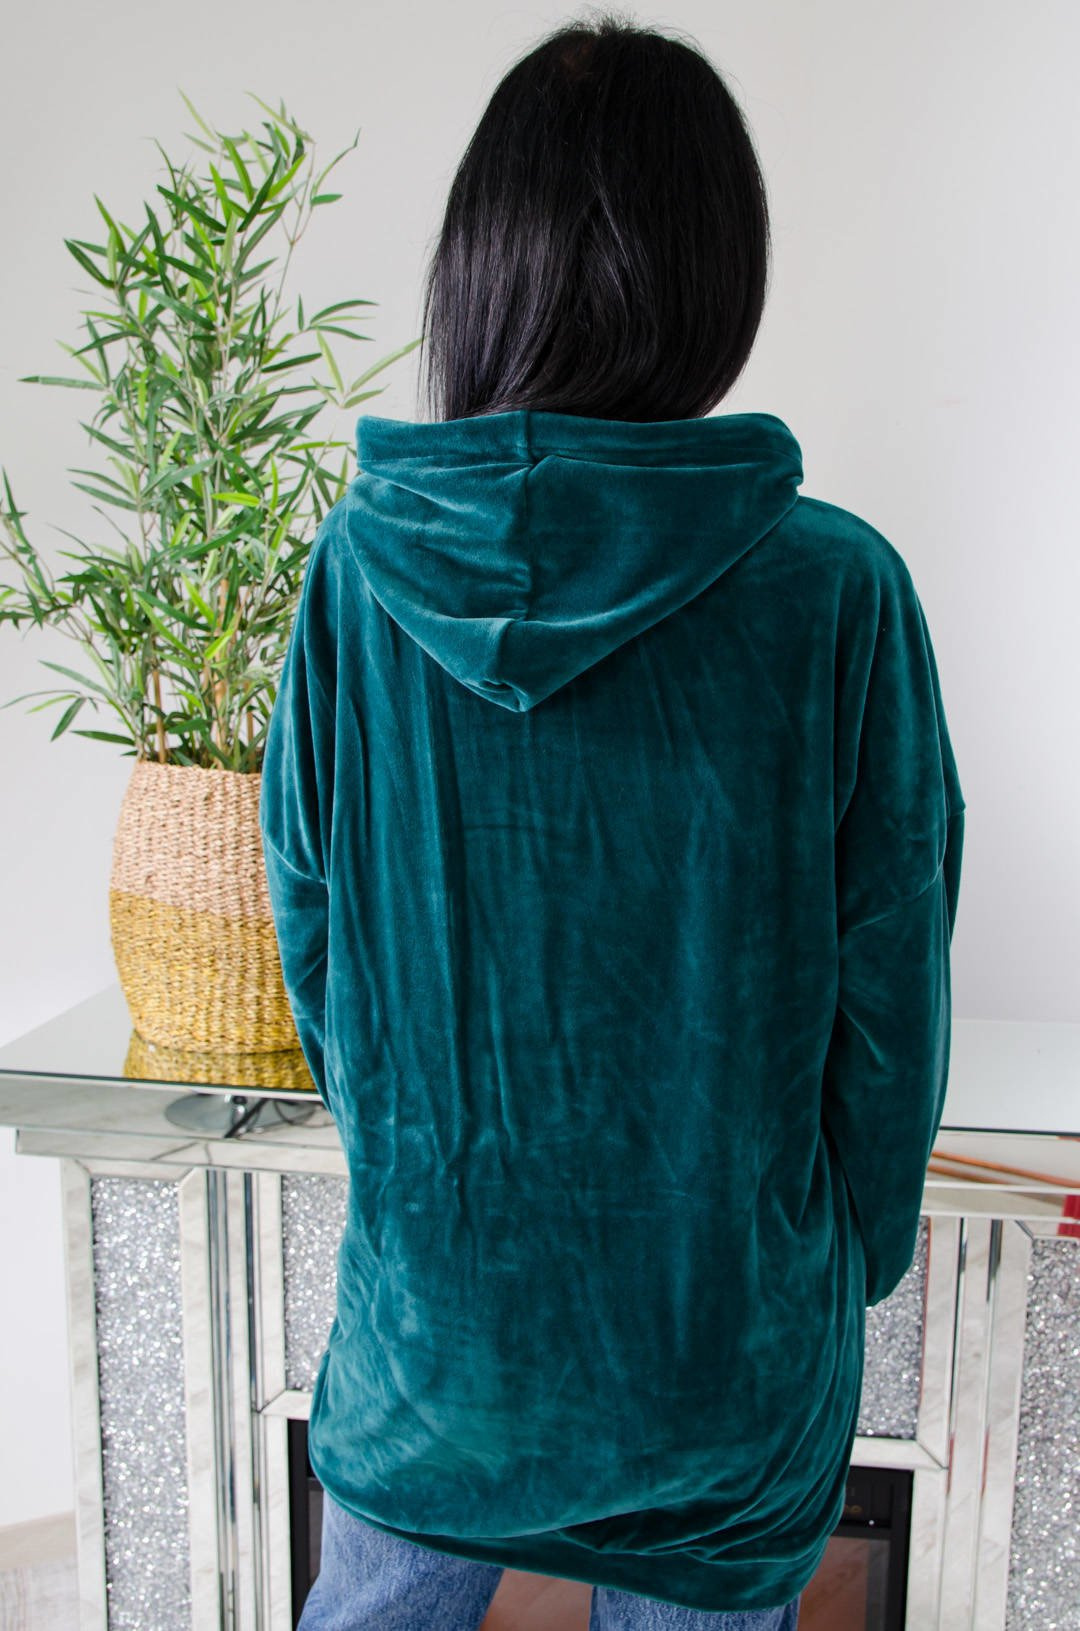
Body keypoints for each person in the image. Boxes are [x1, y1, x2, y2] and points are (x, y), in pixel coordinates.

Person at [260, 11, 965, 1630]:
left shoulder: (355, 575)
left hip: (435, 1345)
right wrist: (832, 1267)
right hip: (719, 1364)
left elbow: (316, 937)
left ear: (477, 266)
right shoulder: (836, 590)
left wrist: (420, 1196)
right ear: (714, 270)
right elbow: (892, 996)